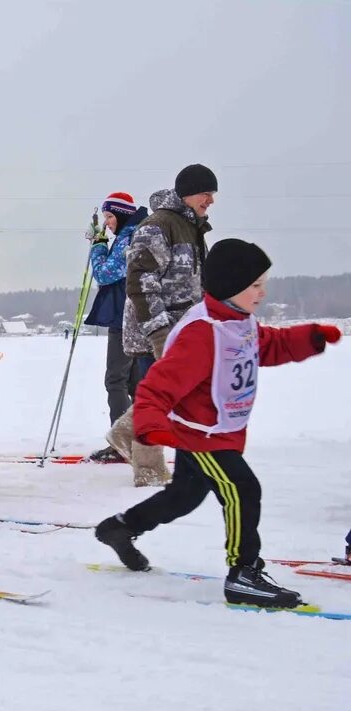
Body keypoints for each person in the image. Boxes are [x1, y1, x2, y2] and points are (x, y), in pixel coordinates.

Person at [94, 239, 340, 607]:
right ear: (230, 287)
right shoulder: (202, 331)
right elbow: (158, 385)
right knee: (242, 489)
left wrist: (309, 337)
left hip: (221, 429)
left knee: (185, 496)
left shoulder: (239, 322)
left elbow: (268, 345)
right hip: (201, 433)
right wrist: (151, 426)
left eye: (263, 283)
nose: (262, 291)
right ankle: (244, 573)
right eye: (255, 285)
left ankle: (120, 528)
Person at [108, 165, 218, 486]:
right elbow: (141, 283)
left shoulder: (192, 227)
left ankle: (125, 433)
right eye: (205, 193)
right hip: (156, 331)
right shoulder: (157, 227)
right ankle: (149, 470)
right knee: (160, 399)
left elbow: (198, 283)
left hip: (183, 331)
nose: (210, 200)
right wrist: (159, 333)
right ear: (186, 193)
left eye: (213, 194)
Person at [83, 192, 149, 462]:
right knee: (134, 382)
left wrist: (97, 244)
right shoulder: (132, 234)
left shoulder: (130, 238)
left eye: (110, 216)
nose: (107, 223)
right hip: (132, 317)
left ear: (121, 215)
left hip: (127, 320)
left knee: (116, 380)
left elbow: (104, 273)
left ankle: (123, 444)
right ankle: (139, 441)